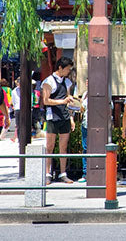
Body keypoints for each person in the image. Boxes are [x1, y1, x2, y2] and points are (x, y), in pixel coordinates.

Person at [40, 56, 74, 184]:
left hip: (64, 116)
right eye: (67, 69)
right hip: (52, 116)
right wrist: (62, 101)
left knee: (63, 147)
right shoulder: (49, 81)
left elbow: (68, 99)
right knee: (50, 146)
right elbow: (46, 100)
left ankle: (63, 173)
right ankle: (48, 173)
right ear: (60, 68)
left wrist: (71, 117)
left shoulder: (67, 82)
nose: (68, 71)